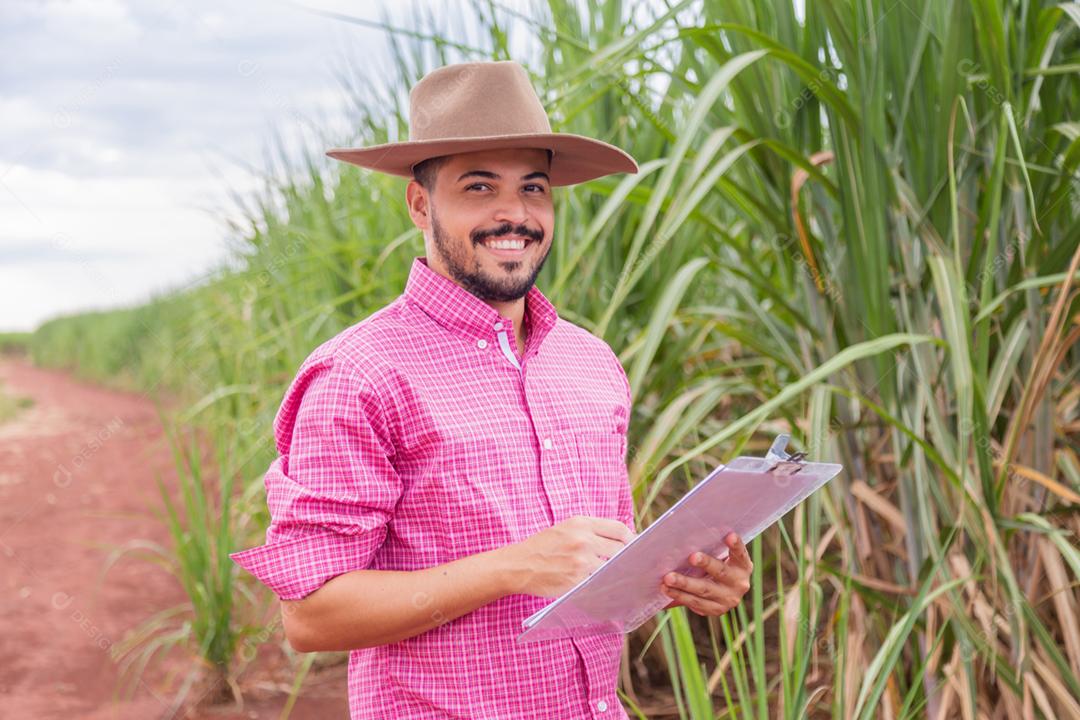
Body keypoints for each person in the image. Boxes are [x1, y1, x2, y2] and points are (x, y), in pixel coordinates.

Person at [230, 59, 752, 720]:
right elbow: (310, 616)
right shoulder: (359, 374)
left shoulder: (590, 363)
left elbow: (588, 567)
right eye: (480, 188)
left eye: (534, 189)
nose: (515, 214)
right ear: (422, 204)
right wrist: (514, 568)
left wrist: (685, 577)